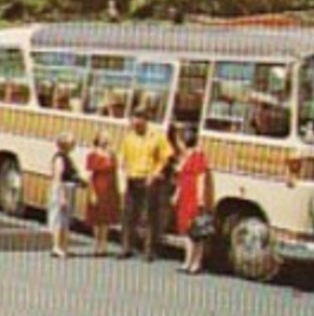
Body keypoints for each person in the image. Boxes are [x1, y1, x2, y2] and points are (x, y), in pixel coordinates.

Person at [117, 110, 172, 260]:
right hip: (132, 177)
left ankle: (148, 250)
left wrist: (155, 173)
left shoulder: (157, 136)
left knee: (149, 216)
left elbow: (166, 157)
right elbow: (123, 156)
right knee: (129, 214)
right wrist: (123, 168)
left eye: (138, 122)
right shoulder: (129, 137)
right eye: (134, 122)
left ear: (146, 121)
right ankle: (126, 246)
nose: (135, 125)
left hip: (149, 179)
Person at [171, 124, 215, 274]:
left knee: (194, 231)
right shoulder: (185, 157)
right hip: (185, 194)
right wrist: (176, 195)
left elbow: (201, 178)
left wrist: (201, 199)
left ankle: (193, 262)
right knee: (188, 230)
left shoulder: (198, 157)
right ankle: (191, 261)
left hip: (193, 196)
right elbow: (180, 179)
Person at [48, 132, 84, 259]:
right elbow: (59, 177)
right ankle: (56, 246)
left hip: (69, 189)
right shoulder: (59, 158)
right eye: (71, 142)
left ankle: (63, 246)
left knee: (65, 220)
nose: (73, 145)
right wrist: (62, 196)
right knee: (59, 219)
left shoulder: (66, 157)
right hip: (62, 189)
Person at [84, 133, 117, 256]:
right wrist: (92, 192)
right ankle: (96, 244)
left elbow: (115, 170)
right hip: (98, 187)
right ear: (98, 140)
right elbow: (90, 175)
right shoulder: (92, 155)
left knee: (105, 219)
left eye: (107, 138)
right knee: (96, 218)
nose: (106, 140)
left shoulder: (111, 154)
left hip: (109, 189)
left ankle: (104, 244)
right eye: (103, 138)